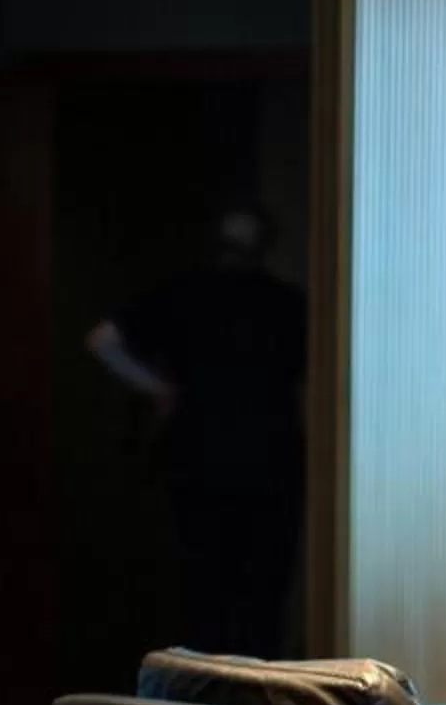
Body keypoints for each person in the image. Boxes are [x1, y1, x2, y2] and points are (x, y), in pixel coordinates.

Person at [86, 206, 308, 658]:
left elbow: (102, 341)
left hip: (198, 457)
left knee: (203, 592)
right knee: (262, 599)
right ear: (266, 245)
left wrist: (160, 390)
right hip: (271, 461)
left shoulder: (183, 295)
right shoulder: (287, 305)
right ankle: (260, 692)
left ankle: (202, 691)